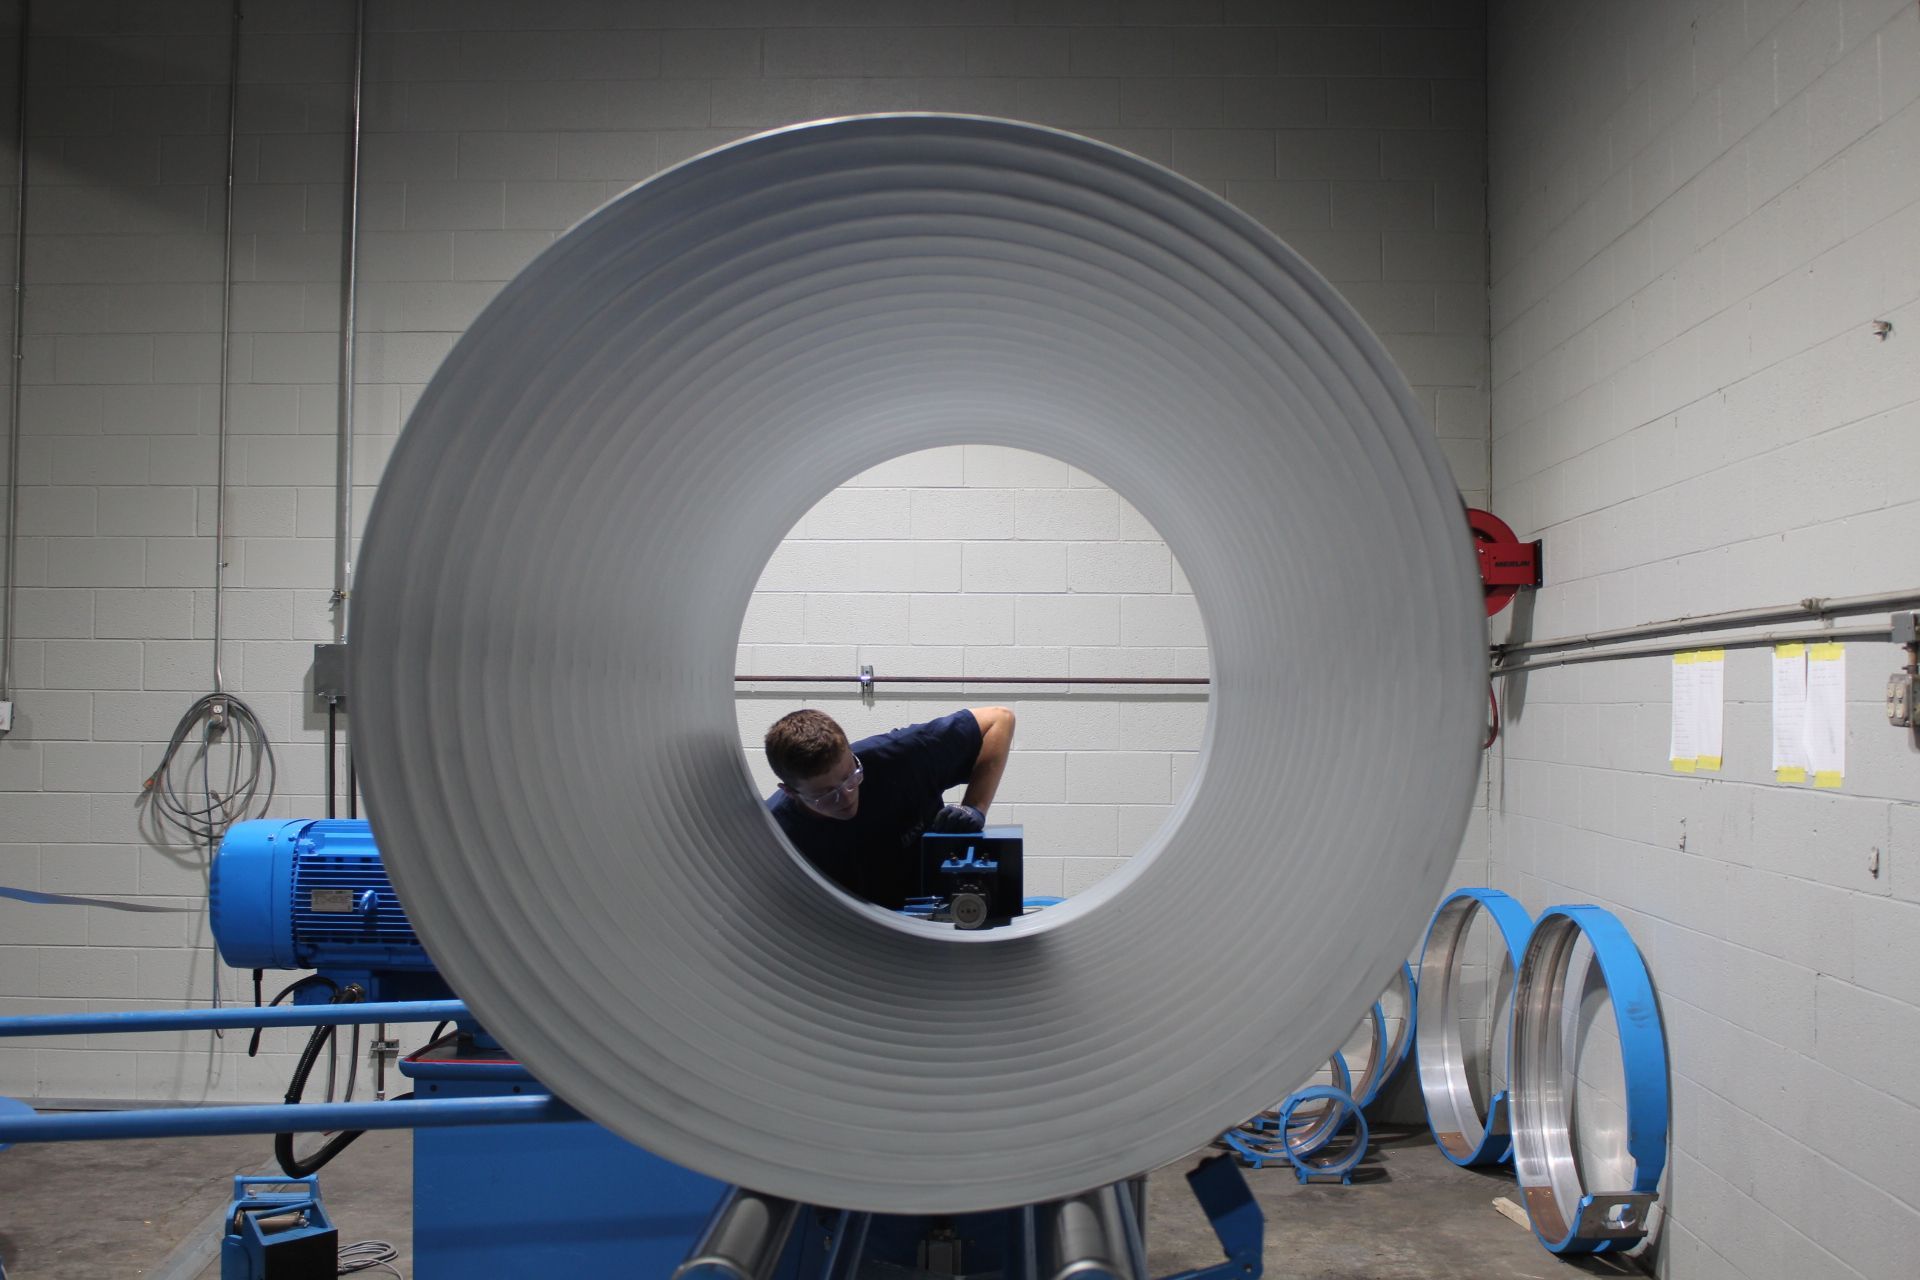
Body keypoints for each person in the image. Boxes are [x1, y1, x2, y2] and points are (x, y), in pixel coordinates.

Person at [763, 705, 1016, 910]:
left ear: (850, 754)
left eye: (851, 778)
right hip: (851, 934)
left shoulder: (899, 757)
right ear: (790, 792)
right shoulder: (771, 832)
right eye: (826, 795)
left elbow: (999, 720)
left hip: (931, 910)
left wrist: (975, 807)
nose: (847, 797)